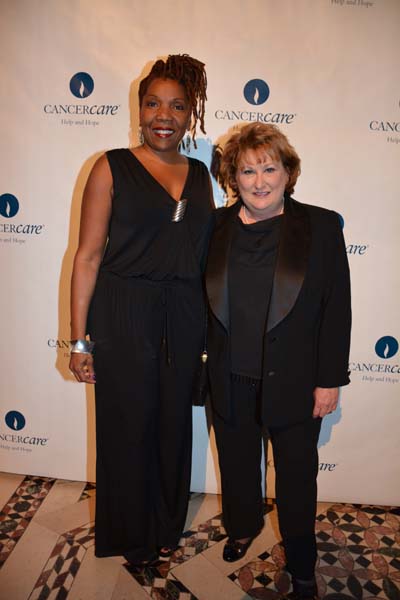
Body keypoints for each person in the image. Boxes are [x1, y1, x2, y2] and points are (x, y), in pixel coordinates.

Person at [69, 54, 213, 565]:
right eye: (153, 103)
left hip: (182, 315)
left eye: (177, 106)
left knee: (174, 422)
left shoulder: (200, 174)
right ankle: (130, 534)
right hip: (124, 310)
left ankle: (165, 523)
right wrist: (80, 339)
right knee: (127, 423)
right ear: (139, 109)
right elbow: (87, 256)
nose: (163, 116)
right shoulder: (111, 166)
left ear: (190, 112)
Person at [206, 123, 351, 599]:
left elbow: (336, 308)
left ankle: (303, 561)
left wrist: (329, 380)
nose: (259, 180)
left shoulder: (322, 225)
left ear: (289, 172)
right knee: (237, 465)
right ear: (233, 176)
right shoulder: (216, 226)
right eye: (247, 170)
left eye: (270, 167)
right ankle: (242, 528)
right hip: (231, 376)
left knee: (295, 478)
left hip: (295, 380)